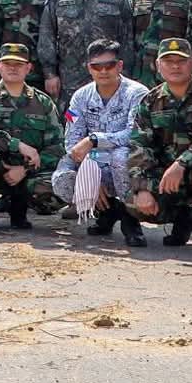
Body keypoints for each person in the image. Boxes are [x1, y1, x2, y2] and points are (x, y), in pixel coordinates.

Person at [49, 39, 157, 246]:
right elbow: (72, 140)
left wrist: (94, 139)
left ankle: (130, 219)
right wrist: (88, 174)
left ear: (120, 66)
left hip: (128, 162)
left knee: (121, 156)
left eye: (109, 65)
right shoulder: (80, 96)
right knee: (62, 179)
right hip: (93, 160)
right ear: (89, 68)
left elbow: (134, 134)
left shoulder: (137, 93)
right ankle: (107, 212)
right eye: (97, 66)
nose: (104, 71)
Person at [127, 38, 192, 248]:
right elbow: (139, 145)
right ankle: (184, 217)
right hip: (167, 177)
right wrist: (142, 188)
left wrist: (181, 163)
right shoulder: (150, 101)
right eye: (168, 61)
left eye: (181, 61)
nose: (175, 66)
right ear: (158, 65)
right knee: (133, 203)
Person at [0, 42, 64, 232]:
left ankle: (19, 209)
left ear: (28, 68)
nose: (13, 68)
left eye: (18, 64)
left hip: (28, 174)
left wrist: (24, 169)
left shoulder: (43, 102)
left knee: (58, 188)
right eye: (7, 63)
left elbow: (57, 146)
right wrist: (16, 145)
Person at [36, 0, 135, 103]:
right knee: (71, 118)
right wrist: (50, 74)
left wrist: (125, 76)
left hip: (108, 78)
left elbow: (127, 39)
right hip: (68, 82)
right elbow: (47, 35)